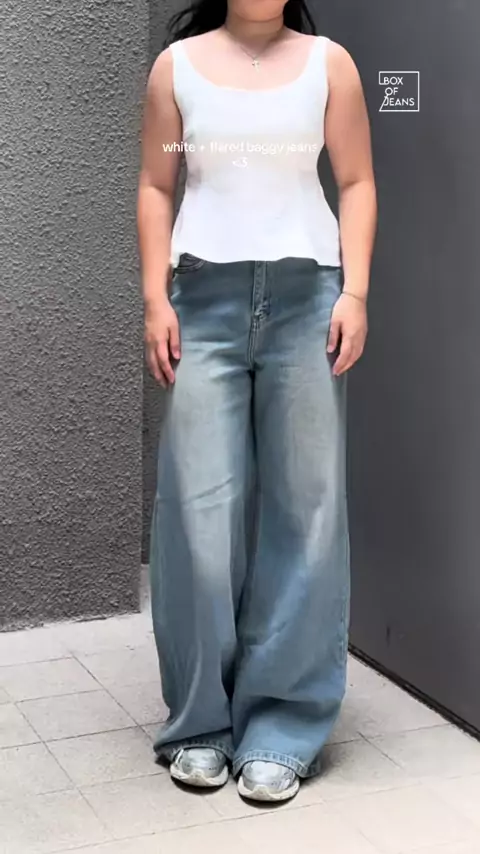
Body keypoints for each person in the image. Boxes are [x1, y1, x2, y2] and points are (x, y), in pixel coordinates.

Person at [137, 0, 376, 803]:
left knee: (306, 510)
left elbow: (356, 181)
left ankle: (282, 724)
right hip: (201, 299)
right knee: (196, 513)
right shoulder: (176, 68)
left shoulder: (328, 63)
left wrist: (356, 293)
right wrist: (154, 299)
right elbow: (156, 185)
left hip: (309, 298)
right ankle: (200, 723)